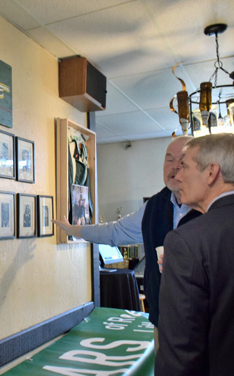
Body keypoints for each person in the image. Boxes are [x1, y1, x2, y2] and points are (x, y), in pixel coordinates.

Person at [52, 136, 201, 346]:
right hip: (163, 318)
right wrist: (73, 230)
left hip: (204, 321)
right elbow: (115, 232)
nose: (175, 166)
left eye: (183, 160)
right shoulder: (154, 207)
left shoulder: (211, 207)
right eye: (169, 159)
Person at [156, 133, 234, 375]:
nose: (178, 174)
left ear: (211, 173)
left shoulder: (187, 242)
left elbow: (181, 356)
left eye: (185, 165)